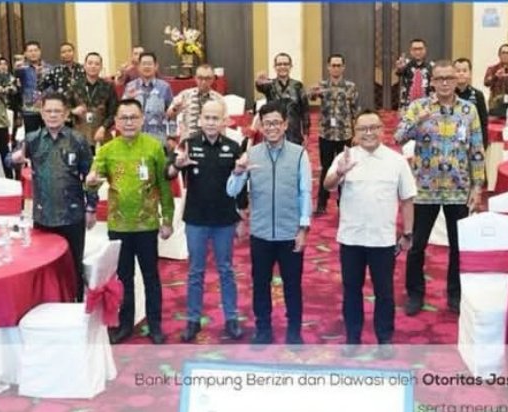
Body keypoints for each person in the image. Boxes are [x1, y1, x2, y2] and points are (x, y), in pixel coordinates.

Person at [395, 60, 485, 316]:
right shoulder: (419, 107)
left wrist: (477, 186)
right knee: (417, 245)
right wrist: (418, 121)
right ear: (432, 82)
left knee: (458, 246)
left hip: (459, 188)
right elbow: (398, 137)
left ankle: (455, 294)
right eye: (439, 78)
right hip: (424, 189)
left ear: (457, 80)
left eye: (449, 78)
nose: (445, 83)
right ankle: (415, 293)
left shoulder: (469, 110)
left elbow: (477, 150)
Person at [323, 110, 416, 358]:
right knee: (351, 290)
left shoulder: (396, 161)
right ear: (355, 133)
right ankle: (352, 338)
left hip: (382, 239)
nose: (369, 133)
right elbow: (327, 185)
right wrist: (340, 172)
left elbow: (407, 199)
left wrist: (408, 233)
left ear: (382, 130)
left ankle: (384, 339)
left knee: (384, 292)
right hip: (351, 238)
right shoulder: (346, 157)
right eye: (363, 129)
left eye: (374, 127)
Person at [86, 98, 174, 345]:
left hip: (147, 225)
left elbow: (164, 187)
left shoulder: (153, 147)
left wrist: (167, 219)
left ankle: (155, 324)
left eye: (133, 117)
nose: (128, 122)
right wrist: (90, 182)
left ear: (142, 119)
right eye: (123, 118)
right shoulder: (107, 150)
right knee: (124, 278)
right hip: (118, 225)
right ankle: (125, 324)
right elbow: (92, 180)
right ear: (115, 121)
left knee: (151, 276)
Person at [226, 101, 312, 345]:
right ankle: (263, 328)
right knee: (260, 284)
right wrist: (238, 171)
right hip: (261, 233)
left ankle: (294, 330)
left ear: (285, 125)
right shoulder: (251, 154)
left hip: (289, 233)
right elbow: (232, 191)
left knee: (292, 285)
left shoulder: (299, 154)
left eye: (276, 123)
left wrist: (303, 229)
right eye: (267, 124)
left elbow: (305, 192)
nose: (272, 128)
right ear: (261, 127)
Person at [166, 100, 245, 342]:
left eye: (215, 118)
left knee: (226, 270)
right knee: (195, 272)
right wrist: (177, 165)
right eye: (207, 118)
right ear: (200, 120)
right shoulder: (188, 145)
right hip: (196, 219)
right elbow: (168, 173)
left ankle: (231, 318)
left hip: (224, 220)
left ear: (224, 121)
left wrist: (243, 216)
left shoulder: (233, 147)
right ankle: (193, 320)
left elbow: (240, 186)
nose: (211, 122)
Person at [7, 93, 96, 302]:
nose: (53, 115)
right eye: (49, 111)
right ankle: (48, 304)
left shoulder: (77, 140)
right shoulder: (32, 140)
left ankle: (75, 304)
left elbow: (91, 177)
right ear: (42, 113)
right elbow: (8, 160)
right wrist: (15, 157)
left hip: (72, 215)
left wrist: (91, 207)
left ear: (66, 114)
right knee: (45, 266)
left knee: (73, 266)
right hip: (43, 216)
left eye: (58, 111)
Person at [308, 53, 359, 216]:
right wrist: (312, 92)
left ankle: (344, 203)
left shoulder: (350, 86)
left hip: (345, 134)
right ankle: (321, 204)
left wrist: (356, 133)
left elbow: (355, 111)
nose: (336, 68)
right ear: (328, 67)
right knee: (326, 168)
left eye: (339, 65)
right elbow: (310, 97)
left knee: (345, 170)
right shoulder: (322, 86)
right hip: (326, 134)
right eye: (333, 65)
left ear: (343, 67)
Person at [255, 53, 310, 145]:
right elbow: (260, 87)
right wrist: (258, 81)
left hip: (294, 133)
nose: (282, 66)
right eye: (279, 64)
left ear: (290, 66)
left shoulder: (298, 85)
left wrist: (305, 132)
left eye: (285, 64)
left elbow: (305, 111)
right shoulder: (269, 85)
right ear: (275, 67)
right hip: (274, 132)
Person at [68, 52, 117, 151]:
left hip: (102, 133)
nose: (93, 66)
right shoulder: (74, 86)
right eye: (90, 63)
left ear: (101, 67)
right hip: (79, 134)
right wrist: (73, 111)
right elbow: (64, 110)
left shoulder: (108, 86)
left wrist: (104, 127)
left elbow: (114, 112)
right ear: (84, 66)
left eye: (97, 64)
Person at [123, 52, 173, 149]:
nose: (147, 67)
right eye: (144, 64)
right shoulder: (130, 86)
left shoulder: (164, 87)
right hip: (134, 139)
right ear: (138, 67)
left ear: (156, 66)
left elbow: (172, 115)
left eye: (149, 64)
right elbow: (122, 112)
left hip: (158, 140)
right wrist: (128, 99)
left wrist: (171, 137)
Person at [166, 64, 223, 141]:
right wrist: (175, 108)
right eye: (200, 78)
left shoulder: (219, 99)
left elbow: (224, 124)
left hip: (212, 142)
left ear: (213, 79)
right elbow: (169, 116)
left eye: (207, 78)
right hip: (188, 141)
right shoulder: (185, 95)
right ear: (195, 78)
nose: (203, 82)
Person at [17, 40, 52, 133]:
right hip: (30, 109)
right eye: (30, 51)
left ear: (40, 51)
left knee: (49, 136)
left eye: (35, 50)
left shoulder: (49, 68)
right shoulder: (22, 69)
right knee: (31, 137)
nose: (33, 53)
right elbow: (16, 79)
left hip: (47, 108)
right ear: (25, 53)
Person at [454, 58, 488, 149]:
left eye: (464, 71)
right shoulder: (449, 94)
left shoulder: (478, 95)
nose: (461, 73)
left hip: (472, 139)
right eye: (458, 71)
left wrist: (483, 145)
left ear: (470, 74)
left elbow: (483, 122)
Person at [484, 44, 508, 119]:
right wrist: (495, 76)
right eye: (503, 53)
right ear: (499, 55)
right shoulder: (492, 69)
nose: (506, 55)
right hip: (495, 108)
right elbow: (486, 83)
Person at [395, 38, 433, 110]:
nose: (417, 52)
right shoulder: (406, 65)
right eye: (415, 49)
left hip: (426, 104)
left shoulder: (431, 67)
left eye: (420, 49)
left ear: (425, 50)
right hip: (407, 104)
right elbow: (399, 72)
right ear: (410, 51)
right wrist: (400, 68)